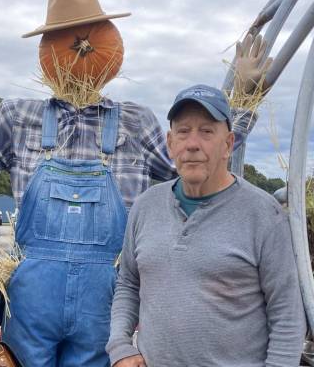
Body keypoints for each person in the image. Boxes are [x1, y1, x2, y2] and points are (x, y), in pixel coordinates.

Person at [0, 0, 270, 367]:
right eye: (68, 40)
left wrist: (243, 99)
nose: (80, 48)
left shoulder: (135, 121)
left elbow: (196, 160)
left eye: (91, 37)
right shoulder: (16, 116)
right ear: (47, 53)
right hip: (30, 296)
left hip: (105, 299)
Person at [106, 84, 306, 367]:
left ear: (228, 144)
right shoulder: (145, 206)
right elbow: (128, 284)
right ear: (170, 143)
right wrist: (121, 348)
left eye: (207, 131)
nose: (192, 144)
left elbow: (287, 313)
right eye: (183, 131)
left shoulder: (264, 214)